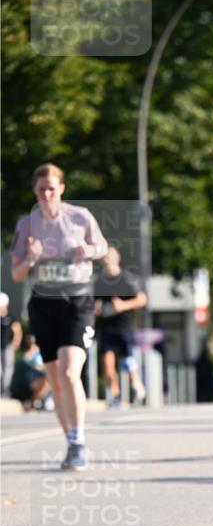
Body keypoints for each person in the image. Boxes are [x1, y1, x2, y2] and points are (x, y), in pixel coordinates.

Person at [11, 163, 108, 469]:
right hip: (43, 304)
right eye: (42, 189)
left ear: (61, 188)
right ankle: (72, 441)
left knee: (68, 371)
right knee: (54, 378)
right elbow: (16, 274)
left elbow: (103, 247)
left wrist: (89, 250)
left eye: (52, 188)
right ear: (35, 191)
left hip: (77, 301)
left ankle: (78, 442)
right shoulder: (26, 225)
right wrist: (31, 258)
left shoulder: (79, 217)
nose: (47, 194)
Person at [95, 245, 147, 407]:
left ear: (117, 258)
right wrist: (96, 308)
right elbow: (94, 303)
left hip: (125, 326)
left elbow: (142, 299)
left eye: (111, 256)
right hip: (107, 327)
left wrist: (123, 305)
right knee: (107, 363)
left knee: (127, 360)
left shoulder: (127, 279)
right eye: (105, 257)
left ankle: (135, 382)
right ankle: (115, 395)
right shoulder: (99, 282)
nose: (108, 259)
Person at [10, 332, 52, 410]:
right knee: (47, 381)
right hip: (19, 391)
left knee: (46, 380)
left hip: (25, 387)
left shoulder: (28, 358)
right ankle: (33, 402)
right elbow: (42, 372)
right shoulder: (24, 359)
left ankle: (36, 401)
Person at [1, 292, 22, 397]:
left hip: (7, 347)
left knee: (8, 368)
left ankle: (5, 391)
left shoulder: (11, 318)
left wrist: (15, 343)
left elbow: (17, 330)